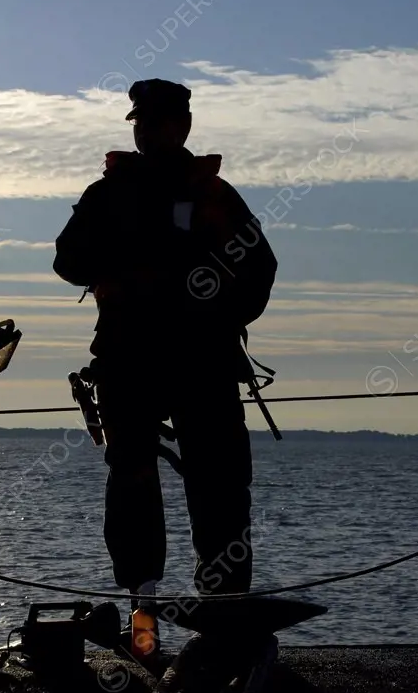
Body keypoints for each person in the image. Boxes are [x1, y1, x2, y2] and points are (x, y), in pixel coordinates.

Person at [52, 79, 277, 611]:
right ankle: (144, 610)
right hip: (133, 361)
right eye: (142, 123)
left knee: (220, 485)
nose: (148, 132)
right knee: (133, 480)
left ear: (183, 126)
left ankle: (223, 609)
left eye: (157, 122)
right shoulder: (107, 194)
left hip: (200, 361)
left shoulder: (213, 195)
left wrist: (221, 316)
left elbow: (260, 266)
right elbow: (67, 261)